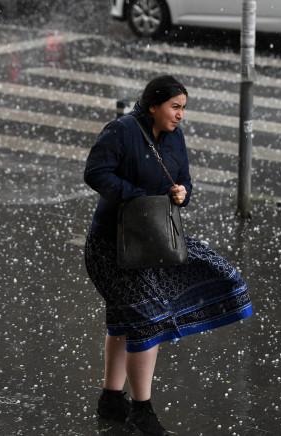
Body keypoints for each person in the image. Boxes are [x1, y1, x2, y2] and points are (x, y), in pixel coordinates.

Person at [83, 75, 253, 435]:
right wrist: (136, 196)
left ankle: (112, 398)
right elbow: (95, 173)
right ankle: (141, 411)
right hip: (111, 246)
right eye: (175, 107)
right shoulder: (122, 131)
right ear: (153, 106)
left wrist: (181, 194)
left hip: (157, 242)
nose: (180, 116)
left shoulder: (175, 138)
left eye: (183, 109)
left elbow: (186, 182)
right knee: (146, 318)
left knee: (127, 317)